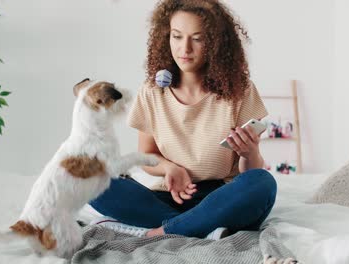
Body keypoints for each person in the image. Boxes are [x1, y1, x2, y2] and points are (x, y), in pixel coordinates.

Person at [89, 0, 277, 240]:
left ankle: (164, 231)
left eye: (197, 39)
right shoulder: (151, 91)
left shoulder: (240, 91)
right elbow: (146, 157)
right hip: (170, 196)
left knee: (262, 182)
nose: (184, 49)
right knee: (92, 178)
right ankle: (202, 228)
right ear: (166, 36)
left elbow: (248, 174)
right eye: (177, 36)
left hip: (222, 197)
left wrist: (250, 154)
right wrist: (170, 168)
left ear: (216, 43)